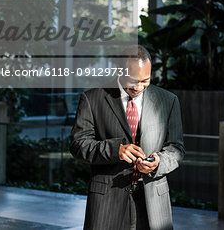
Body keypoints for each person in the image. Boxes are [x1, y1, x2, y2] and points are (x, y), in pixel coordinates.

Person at [70, 45, 185, 230]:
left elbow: (177, 148)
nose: (139, 87)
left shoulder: (168, 101)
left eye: (145, 81)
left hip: (153, 203)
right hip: (107, 201)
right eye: (133, 81)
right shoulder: (92, 99)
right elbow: (78, 145)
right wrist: (116, 151)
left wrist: (158, 162)